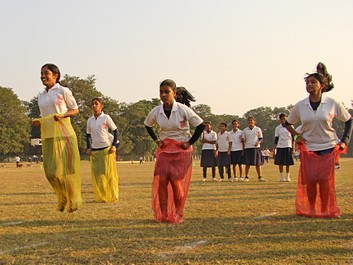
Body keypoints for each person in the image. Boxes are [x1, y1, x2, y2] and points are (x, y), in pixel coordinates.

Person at [285, 62, 352, 218]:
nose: (309, 85)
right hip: (308, 147)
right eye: (307, 83)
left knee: (324, 180)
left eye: (313, 82)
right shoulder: (300, 106)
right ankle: (311, 209)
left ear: (322, 85)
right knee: (309, 181)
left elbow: (349, 121)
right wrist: (296, 136)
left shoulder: (332, 103)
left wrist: (344, 141)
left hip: (328, 146)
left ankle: (326, 209)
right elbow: (287, 124)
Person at [144, 79, 204, 224]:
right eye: (161, 92)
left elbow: (200, 125)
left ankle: (178, 212)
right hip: (165, 150)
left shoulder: (183, 109)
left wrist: (189, 142)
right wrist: (157, 141)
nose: (163, 95)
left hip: (181, 150)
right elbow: (147, 125)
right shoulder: (156, 111)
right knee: (162, 181)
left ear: (174, 93)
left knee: (176, 181)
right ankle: (164, 214)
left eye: (167, 92)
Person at [32, 63, 82, 213]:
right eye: (41, 73)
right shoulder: (41, 96)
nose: (43, 76)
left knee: (64, 172)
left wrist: (62, 115)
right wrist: (38, 122)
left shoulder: (63, 90)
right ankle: (62, 196)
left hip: (64, 134)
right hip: (48, 136)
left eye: (46, 73)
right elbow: (44, 116)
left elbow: (75, 110)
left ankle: (72, 200)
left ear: (55, 75)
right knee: (50, 172)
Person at [86, 97, 119, 203]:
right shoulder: (90, 120)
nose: (94, 106)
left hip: (106, 149)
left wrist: (114, 145)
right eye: (92, 104)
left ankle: (113, 195)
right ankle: (102, 196)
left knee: (109, 174)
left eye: (96, 104)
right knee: (98, 175)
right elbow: (88, 135)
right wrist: (88, 147)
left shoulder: (106, 118)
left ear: (101, 106)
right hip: (95, 150)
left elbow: (115, 131)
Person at [242, 116, 266, 182]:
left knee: (257, 163)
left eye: (251, 120)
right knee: (247, 164)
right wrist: (243, 140)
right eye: (249, 120)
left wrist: (258, 143)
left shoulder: (258, 129)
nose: (250, 122)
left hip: (256, 148)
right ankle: (246, 177)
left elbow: (261, 138)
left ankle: (260, 177)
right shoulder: (245, 130)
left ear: (254, 121)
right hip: (248, 148)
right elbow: (243, 139)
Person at [274, 113, 294, 182]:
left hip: (288, 145)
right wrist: (274, 148)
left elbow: (293, 138)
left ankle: (288, 176)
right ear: (280, 120)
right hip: (280, 146)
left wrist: (293, 147)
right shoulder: (277, 128)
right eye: (281, 119)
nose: (283, 120)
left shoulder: (290, 127)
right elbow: (276, 139)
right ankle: (281, 177)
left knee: (288, 162)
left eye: (284, 118)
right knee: (280, 162)